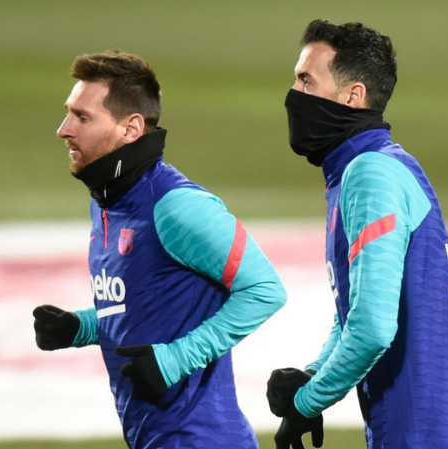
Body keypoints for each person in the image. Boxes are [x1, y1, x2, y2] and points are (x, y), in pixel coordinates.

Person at [33, 50, 287, 449]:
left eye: (82, 117)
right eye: (69, 113)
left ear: (131, 128)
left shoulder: (177, 206)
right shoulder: (108, 205)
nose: (64, 129)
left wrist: (177, 360)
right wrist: (81, 327)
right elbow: (149, 310)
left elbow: (265, 290)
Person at [265, 20, 448, 449]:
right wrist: (314, 374)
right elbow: (357, 309)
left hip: (422, 436)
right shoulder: (370, 167)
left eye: (305, 80)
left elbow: (372, 329)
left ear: (353, 95)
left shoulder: (371, 175)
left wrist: (308, 404)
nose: (294, 95)